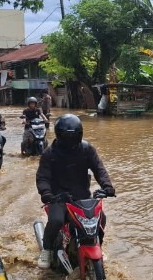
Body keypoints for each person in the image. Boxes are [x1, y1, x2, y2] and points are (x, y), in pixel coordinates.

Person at [35, 114, 115, 269]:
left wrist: (107, 187)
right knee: (56, 220)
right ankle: (47, 249)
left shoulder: (87, 149)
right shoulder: (49, 154)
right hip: (59, 197)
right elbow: (43, 177)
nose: (70, 141)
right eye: (67, 137)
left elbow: (99, 169)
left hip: (83, 196)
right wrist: (46, 194)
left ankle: (97, 244)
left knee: (101, 218)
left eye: (74, 137)